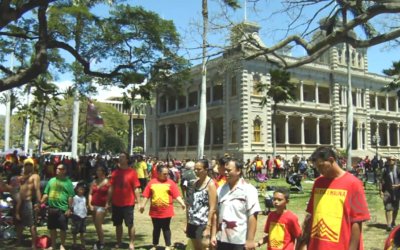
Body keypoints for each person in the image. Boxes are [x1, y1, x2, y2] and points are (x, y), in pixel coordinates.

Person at [297, 146, 370, 250]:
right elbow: (311, 215)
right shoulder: (318, 182)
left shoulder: (353, 183)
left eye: (321, 166)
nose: (319, 170)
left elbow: (357, 221)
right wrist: (303, 242)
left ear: (331, 160)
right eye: (317, 167)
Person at [211, 159, 261, 250]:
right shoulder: (220, 189)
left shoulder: (248, 190)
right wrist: (213, 235)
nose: (226, 173)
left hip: (239, 239)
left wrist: (250, 240)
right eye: (225, 170)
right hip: (221, 238)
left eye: (229, 170)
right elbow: (216, 214)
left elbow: (252, 215)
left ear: (238, 171)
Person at [140, 163, 186, 250]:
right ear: (158, 173)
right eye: (164, 174)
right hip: (155, 211)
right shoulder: (152, 183)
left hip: (167, 211)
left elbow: (176, 195)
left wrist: (182, 203)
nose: (166, 175)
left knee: (166, 228)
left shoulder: (171, 183)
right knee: (156, 228)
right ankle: (155, 245)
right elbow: (146, 195)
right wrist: (142, 205)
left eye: (167, 173)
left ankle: (168, 245)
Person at [107, 152, 141, 250]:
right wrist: (107, 202)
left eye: (122, 157)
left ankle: (131, 243)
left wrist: (139, 203)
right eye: (119, 157)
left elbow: (136, 188)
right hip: (116, 203)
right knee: (118, 224)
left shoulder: (132, 172)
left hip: (128, 203)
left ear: (127, 160)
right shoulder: (115, 173)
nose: (120, 159)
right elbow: (111, 188)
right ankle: (119, 242)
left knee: (130, 224)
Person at [41, 164, 75, 250]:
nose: (58, 170)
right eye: (57, 168)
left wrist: (69, 208)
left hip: (63, 209)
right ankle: (53, 245)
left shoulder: (68, 182)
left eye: (61, 169)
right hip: (52, 208)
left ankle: (62, 245)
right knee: (52, 228)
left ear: (64, 171)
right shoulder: (51, 180)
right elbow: (46, 194)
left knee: (62, 228)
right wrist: (40, 203)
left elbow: (71, 196)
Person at [186, 159, 217, 250]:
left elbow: (212, 207)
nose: (196, 171)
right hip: (192, 221)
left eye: (199, 169)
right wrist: (187, 222)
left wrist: (208, 226)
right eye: (195, 169)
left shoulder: (210, 184)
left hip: (203, 222)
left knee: (204, 246)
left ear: (206, 169)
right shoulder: (194, 183)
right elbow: (190, 204)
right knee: (196, 247)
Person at [15, 158, 41, 249]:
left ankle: (33, 244)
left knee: (32, 225)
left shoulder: (35, 176)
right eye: (26, 165)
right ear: (24, 166)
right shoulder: (21, 177)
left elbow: (37, 189)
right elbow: (18, 186)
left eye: (30, 165)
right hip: (20, 202)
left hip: (29, 202)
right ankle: (19, 241)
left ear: (33, 166)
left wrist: (38, 203)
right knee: (19, 224)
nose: (28, 166)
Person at [88, 165, 110, 250]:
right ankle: (100, 239)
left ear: (103, 172)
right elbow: (90, 193)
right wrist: (89, 204)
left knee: (98, 224)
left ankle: (102, 242)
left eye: (100, 170)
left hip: (102, 206)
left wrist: (107, 204)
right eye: (97, 170)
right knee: (96, 225)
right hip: (94, 205)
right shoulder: (94, 181)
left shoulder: (108, 182)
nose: (98, 172)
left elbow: (110, 194)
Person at [380, 156, 400, 231]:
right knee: (388, 207)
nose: (390, 161)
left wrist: (398, 185)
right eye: (389, 160)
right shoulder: (384, 170)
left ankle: (393, 222)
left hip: (397, 191)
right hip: (387, 191)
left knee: (395, 208)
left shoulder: (398, 169)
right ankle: (388, 225)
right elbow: (381, 180)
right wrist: (381, 191)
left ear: (395, 161)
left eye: (392, 160)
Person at [71, 183, 88, 249]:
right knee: (74, 231)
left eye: (83, 190)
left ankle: (82, 244)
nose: (81, 191)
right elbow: (72, 206)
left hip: (83, 216)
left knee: (82, 231)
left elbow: (85, 206)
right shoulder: (74, 198)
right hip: (76, 216)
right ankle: (74, 243)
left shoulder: (84, 198)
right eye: (80, 189)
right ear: (77, 190)